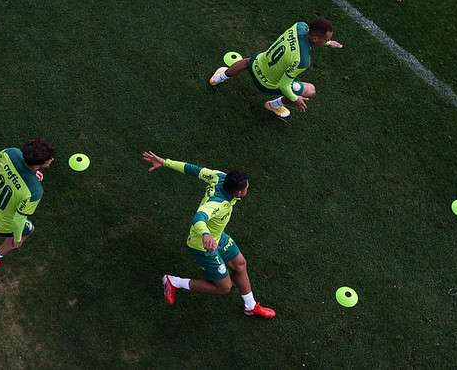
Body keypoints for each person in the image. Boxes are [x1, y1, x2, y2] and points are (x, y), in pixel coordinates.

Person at [141, 151, 276, 319]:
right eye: (246, 187)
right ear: (238, 193)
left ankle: (251, 306)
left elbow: (194, 169)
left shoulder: (220, 177)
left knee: (240, 264)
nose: (248, 188)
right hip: (202, 244)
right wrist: (206, 235)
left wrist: (165, 162)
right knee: (224, 287)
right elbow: (199, 217)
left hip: (217, 236)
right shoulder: (216, 204)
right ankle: (173, 282)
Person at [208, 17, 343, 118]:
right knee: (310, 90)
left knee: (246, 61)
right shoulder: (303, 60)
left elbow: (306, 35)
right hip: (266, 85)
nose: (327, 41)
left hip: (256, 64)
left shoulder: (299, 26)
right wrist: (295, 99)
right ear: (315, 39)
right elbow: (284, 86)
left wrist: (328, 43)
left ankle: (218, 78)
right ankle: (273, 105)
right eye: (326, 39)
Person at [0, 139, 54, 269]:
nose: (52, 159)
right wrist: (18, 239)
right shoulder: (35, 190)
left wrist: (27, 173)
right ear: (42, 163)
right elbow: (19, 219)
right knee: (28, 230)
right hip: (3, 225)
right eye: (50, 158)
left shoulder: (10, 153)